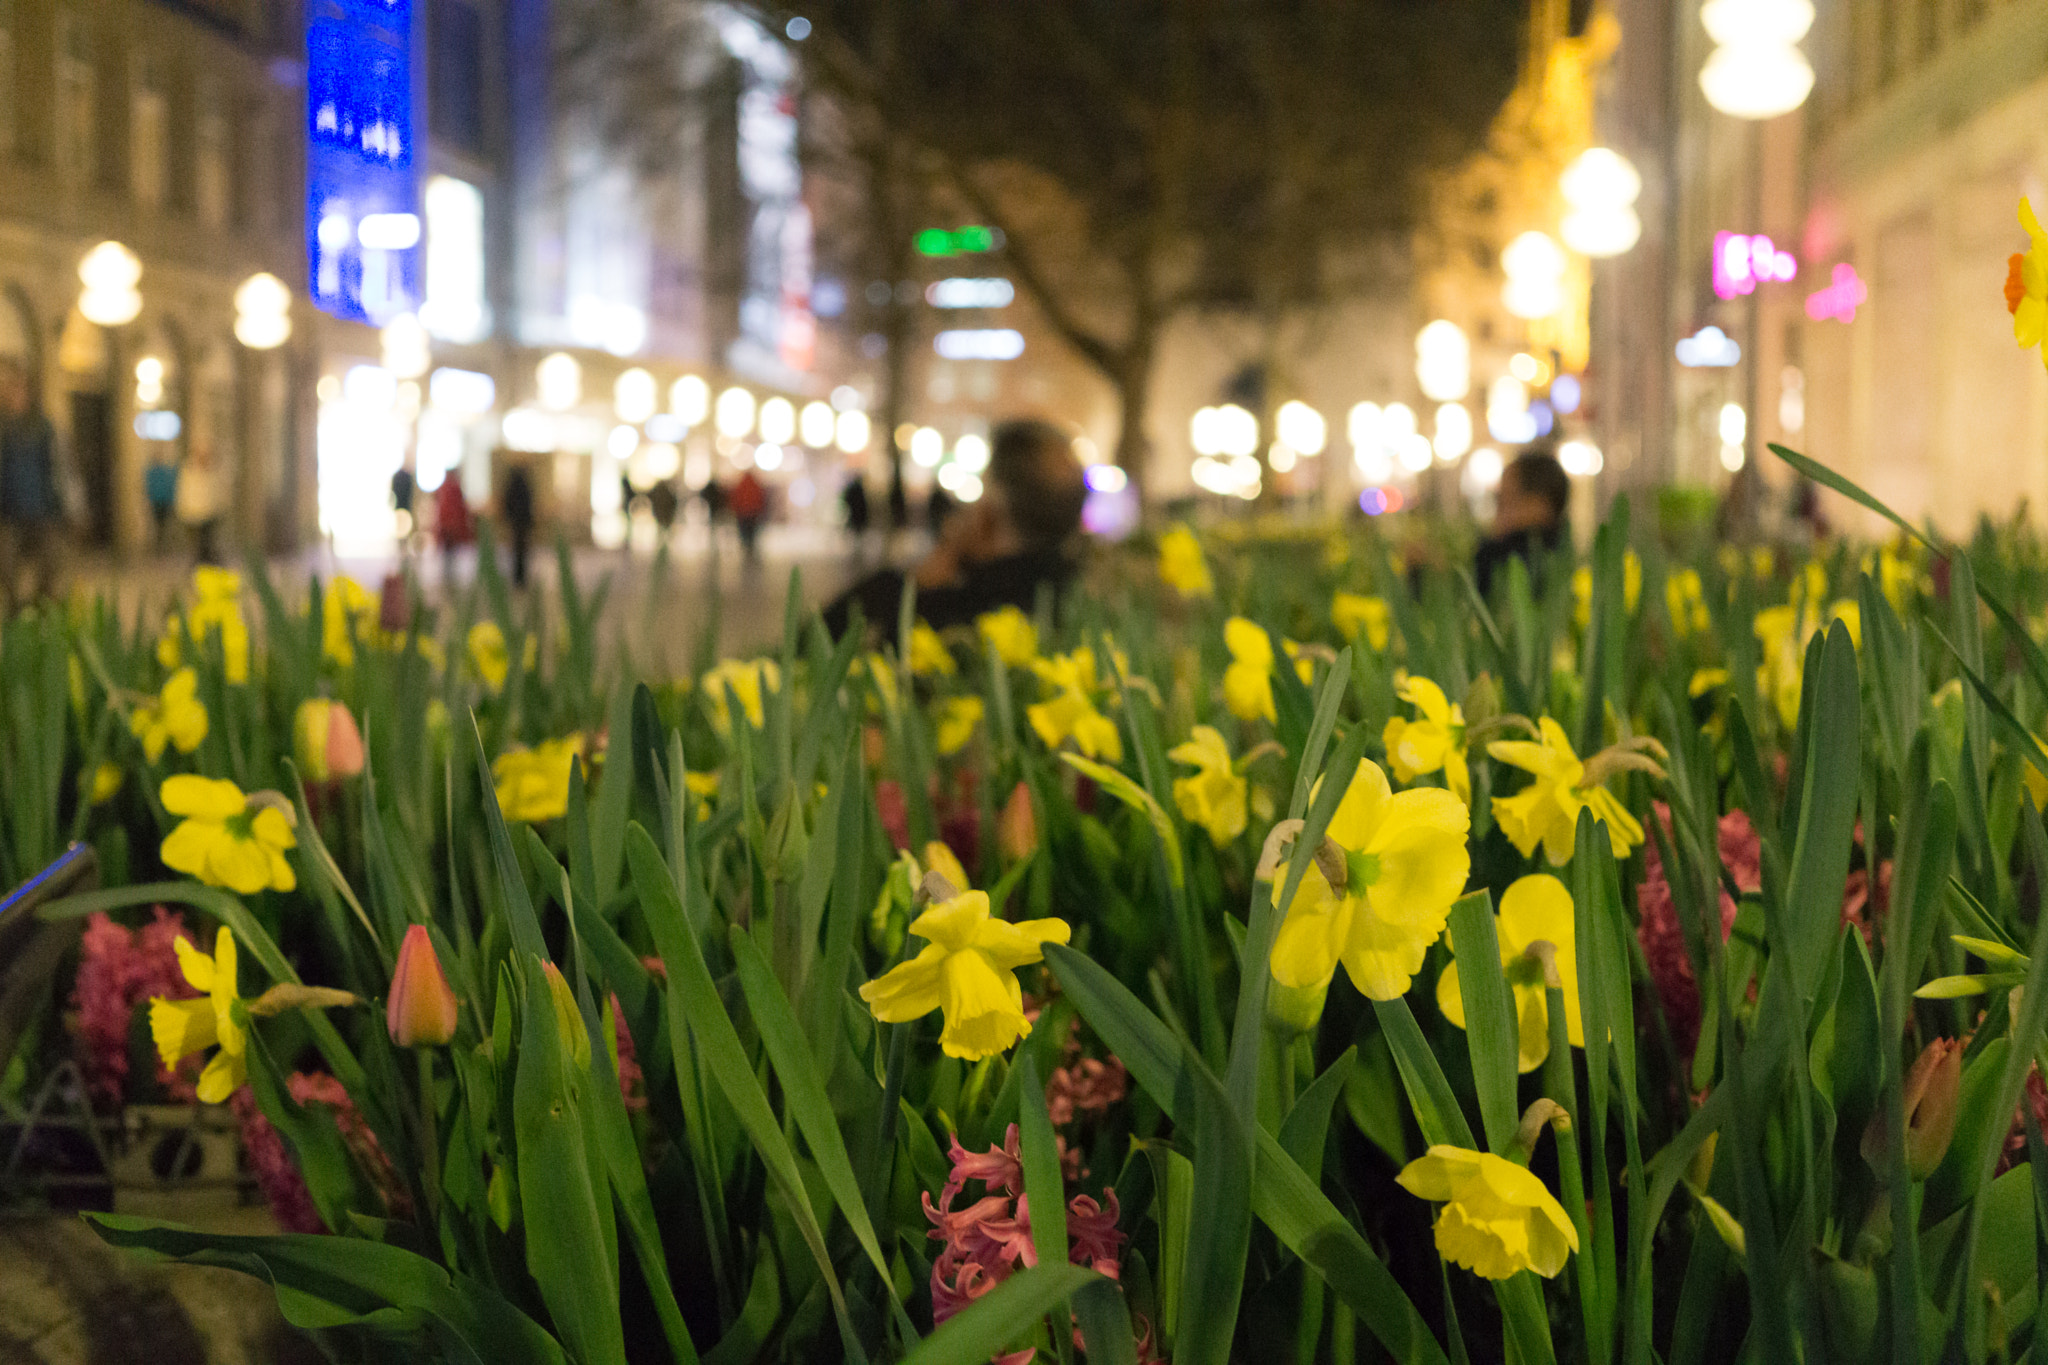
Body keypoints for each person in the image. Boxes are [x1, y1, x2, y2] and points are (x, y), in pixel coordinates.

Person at [823, 418, 1088, 644]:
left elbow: (817, 638)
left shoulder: (933, 612)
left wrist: (917, 581)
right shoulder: (1076, 610)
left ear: (990, 514)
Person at [0, 358, 63, 607]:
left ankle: (41, 607)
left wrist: (56, 502)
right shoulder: (3, 427)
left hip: (40, 507)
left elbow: (54, 466)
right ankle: (16, 608)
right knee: (6, 566)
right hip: (7, 510)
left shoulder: (41, 427)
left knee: (51, 563)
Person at [1473, 445, 1569, 600]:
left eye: (1505, 499)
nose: (1498, 513)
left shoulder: (1499, 560)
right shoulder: (1569, 558)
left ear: (1539, 505)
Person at [175, 442, 226, 566]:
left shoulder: (213, 472)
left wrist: (220, 508)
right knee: (195, 544)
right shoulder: (188, 471)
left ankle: (209, 566)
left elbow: (218, 492)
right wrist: (183, 510)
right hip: (193, 514)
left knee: (208, 542)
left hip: (210, 513)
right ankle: (197, 567)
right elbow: (184, 492)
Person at [435, 474, 474, 589]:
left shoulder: (448, 489)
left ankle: (449, 579)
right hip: (449, 527)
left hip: (448, 527)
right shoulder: (451, 489)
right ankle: (448, 579)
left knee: (449, 556)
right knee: (449, 556)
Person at [502, 461, 536, 589]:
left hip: (517, 523)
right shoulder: (523, 485)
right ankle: (520, 579)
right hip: (521, 523)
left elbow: (508, 504)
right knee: (520, 552)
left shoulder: (512, 484)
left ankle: (518, 579)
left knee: (518, 552)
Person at [731, 468, 767, 561]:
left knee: (744, 532)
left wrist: (736, 510)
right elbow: (760, 499)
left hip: (743, 513)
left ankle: (746, 547)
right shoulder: (755, 485)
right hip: (753, 513)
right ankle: (750, 548)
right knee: (752, 533)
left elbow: (736, 498)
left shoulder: (741, 484)